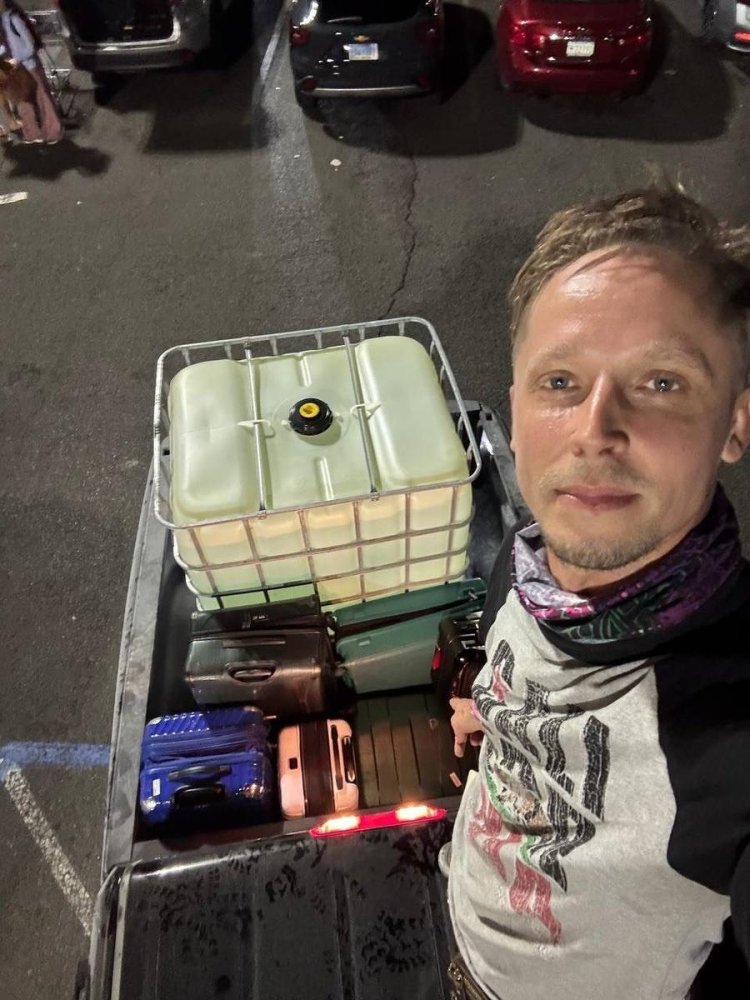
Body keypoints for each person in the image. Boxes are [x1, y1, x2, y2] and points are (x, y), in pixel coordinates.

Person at [443, 184, 750, 1000]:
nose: (594, 430)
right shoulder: (528, 566)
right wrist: (499, 715)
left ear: (736, 423)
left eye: (662, 382)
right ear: (514, 409)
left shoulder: (731, 734)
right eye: (559, 382)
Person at [0, 0, 62, 144]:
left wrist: (17, 60)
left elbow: (29, 45)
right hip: (14, 69)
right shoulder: (3, 21)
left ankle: (52, 131)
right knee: (23, 102)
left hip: (28, 65)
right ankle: (31, 133)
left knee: (42, 98)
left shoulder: (13, 19)